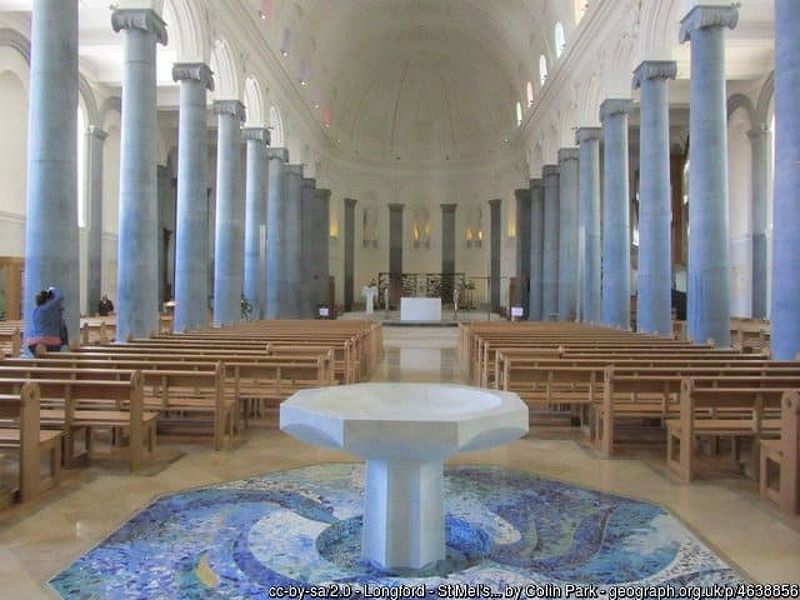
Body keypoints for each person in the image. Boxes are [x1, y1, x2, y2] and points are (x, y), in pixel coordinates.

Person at [26, 286, 67, 355]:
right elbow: (60, 297)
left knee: (40, 363)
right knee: (51, 362)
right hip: (50, 342)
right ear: (48, 300)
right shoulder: (49, 307)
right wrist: (52, 289)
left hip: (33, 342)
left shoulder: (36, 310)